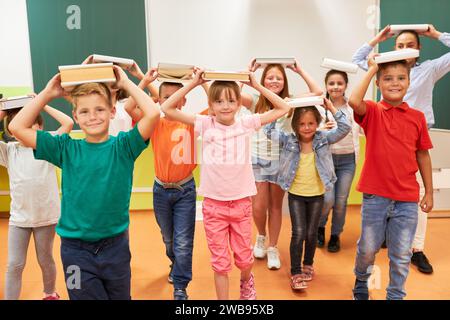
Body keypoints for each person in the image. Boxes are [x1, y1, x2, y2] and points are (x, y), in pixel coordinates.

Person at [9, 66, 160, 300]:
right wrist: (47, 93)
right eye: (85, 111)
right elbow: (16, 127)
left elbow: (153, 114)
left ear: (112, 111)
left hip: (115, 248)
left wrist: (126, 84)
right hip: (74, 252)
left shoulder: (124, 146)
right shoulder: (65, 148)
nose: (93, 116)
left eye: (100, 109)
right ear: (76, 117)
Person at [161, 68, 290, 300]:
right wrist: (194, 82)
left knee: (244, 259)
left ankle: (246, 282)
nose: (225, 105)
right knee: (220, 263)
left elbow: (283, 108)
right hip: (213, 207)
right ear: (211, 104)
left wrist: (256, 85)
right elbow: (167, 108)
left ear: (239, 103)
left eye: (231, 100)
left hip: (241, 204)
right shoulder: (205, 124)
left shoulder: (246, 123)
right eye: (219, 101)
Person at [352, 24, 449, 273]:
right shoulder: (385, 69)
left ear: (419, 49)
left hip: (415, 138)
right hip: (385, 131)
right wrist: (378, 38)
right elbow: (357, 60)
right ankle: (385, 235)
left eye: (410, 45)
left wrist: (435, 34)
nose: (405, 49)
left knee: (415, 196)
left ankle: (416, 249)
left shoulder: (428, 70)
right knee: (384, 191)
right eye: (400, 45)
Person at [348, 55, 433, 300]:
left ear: (409, 82)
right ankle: (361, 283)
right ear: (378, 84)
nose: (394, 83)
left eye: (400, 78)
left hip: (407, 197)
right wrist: (373, 66)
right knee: (368, 249)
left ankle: (395, 294)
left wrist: (428, 191)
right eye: (387, 79)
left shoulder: (417, 117)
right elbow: (354, 100)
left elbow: (423, 155)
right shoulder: (373, 111)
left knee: (401, 253)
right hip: (376, 197)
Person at [124, 70, 208, 300]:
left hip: (186, 191)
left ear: (183, 99)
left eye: (175, 95)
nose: (170, 100)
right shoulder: (155, 123)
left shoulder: (192, 122)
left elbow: (213, 106)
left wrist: (199, 82)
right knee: (169, 239)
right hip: (161, 190)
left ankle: (180, 286)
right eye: (165, 96)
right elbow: (129, 108)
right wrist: (145, 80)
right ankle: (175, 263)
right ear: (158, 100)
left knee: (183, 242)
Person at [242, 59, 323, 270]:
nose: (274, 80)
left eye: (278, 77)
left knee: (275, 206)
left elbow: (318, 92)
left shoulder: (290, 102)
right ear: (263, 80)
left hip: (282, 161)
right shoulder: (255, 100)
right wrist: (247, 73)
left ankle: (273, 247)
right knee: (258, 206)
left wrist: (300, 69)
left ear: (284, 81)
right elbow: (232, 94)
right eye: (270, 77)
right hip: (258, 160)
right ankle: (260, 235)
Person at [264, 99, 350, 290]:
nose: (306, 128)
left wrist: (331, 108)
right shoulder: (289, 140)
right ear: (295, 125)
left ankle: (308, 263)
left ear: (317, 123)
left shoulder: (323, 139)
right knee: (299, 232)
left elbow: (344, 127)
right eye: (302, 124)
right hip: (296, 194)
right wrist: (281, 108)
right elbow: (268, 131)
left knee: (311, 233)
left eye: (311, 123)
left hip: (317, 194)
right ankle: (296, 272)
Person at [0, 103, 73, 300]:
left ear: (40, 127)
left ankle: (50, 293)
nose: (25, 129)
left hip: (46, 218)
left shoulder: (48, 144)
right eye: (18, 125)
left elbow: (67, 122)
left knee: (45, 259)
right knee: (14, 264)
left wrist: (42, 103)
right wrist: (4, 113)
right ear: (12, 131)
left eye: (31, 124)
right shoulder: (10, 151)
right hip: (19, 219)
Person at [317, 70, 360, 253]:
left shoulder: (353, 107)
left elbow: (360, 129)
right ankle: (320, 227)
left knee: (341, 201)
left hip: (348, 159)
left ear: (346, 85)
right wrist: (321, 128)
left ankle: (335, 235)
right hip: (327, 159)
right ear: (326, 85)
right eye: (331, 83)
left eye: (339, 83)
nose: (335, 87)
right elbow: (310, 130)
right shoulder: (320, 107)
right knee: (328, 199)